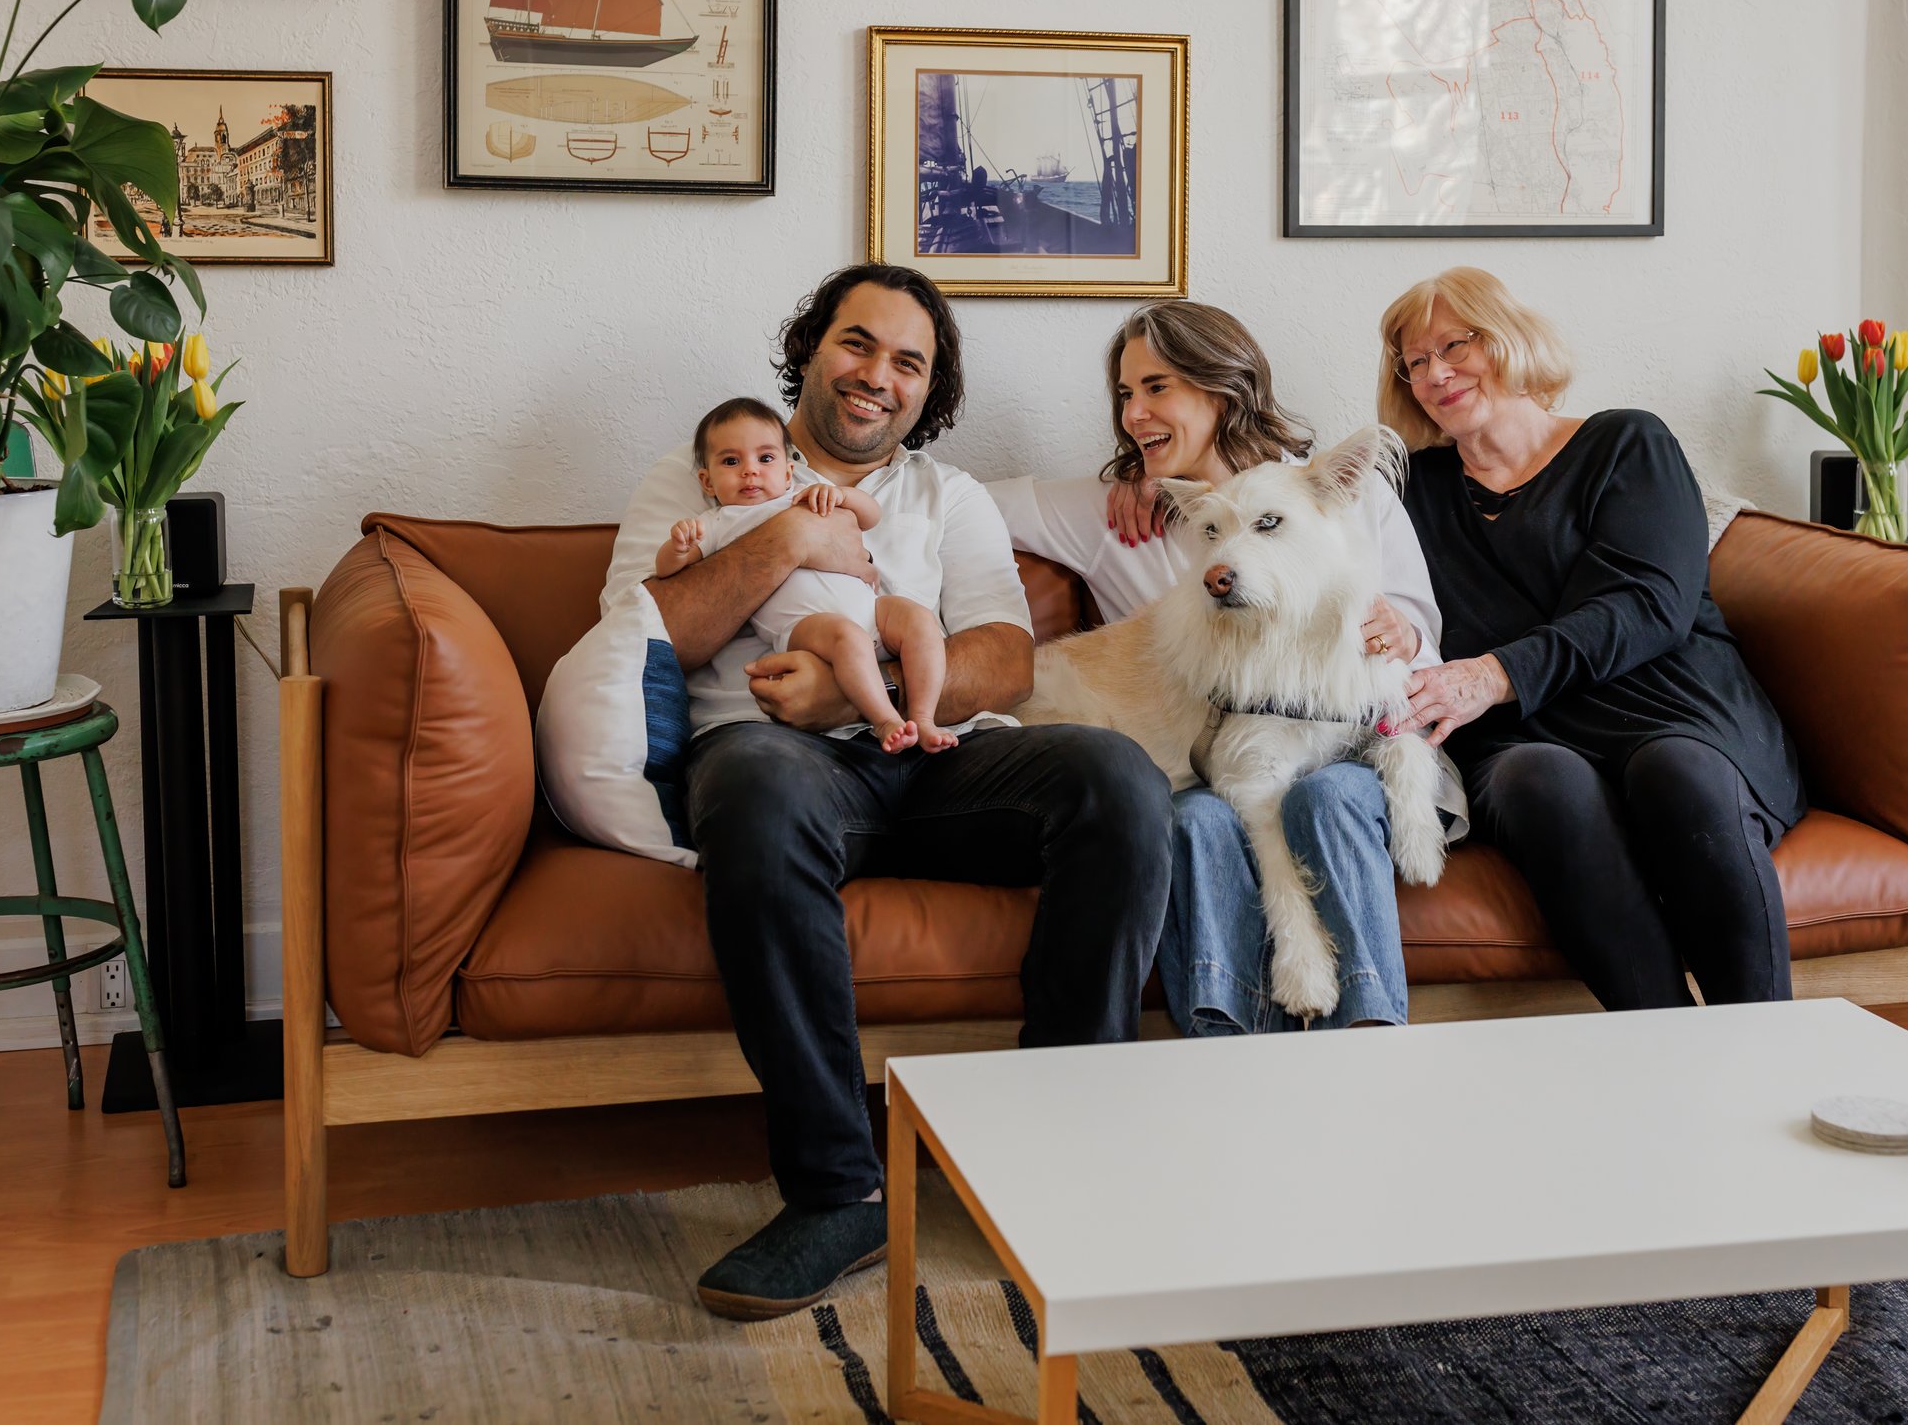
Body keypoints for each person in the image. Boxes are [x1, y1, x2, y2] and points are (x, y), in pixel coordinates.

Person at [606, 263, 1173, 1320]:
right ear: (812, 348)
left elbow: (1004, 658)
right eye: (856, 344)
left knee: (1117, 778)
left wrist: (868, 690)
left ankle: (1055, 1151)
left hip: (934, 751)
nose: (877, 376)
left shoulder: (944, 497)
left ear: (928, 387)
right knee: (757, 792)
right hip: (774, 754)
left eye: (907, 362)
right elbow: (650, 634)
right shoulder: (706, 471)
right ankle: (838, 1195)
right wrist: (788, 533)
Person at [990, 299, 1458, 1034]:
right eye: (1124, 394)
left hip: (1349, 738)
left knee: (1327, 798)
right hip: (1207, 757)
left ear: (1222, 390)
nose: (1134, 414)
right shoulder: (1120, 510)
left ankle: (1367, 1043)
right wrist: (800, 493)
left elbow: (1424, 649)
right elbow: (967, 505)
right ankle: (1230, 1052)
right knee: (1201, 819)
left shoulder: (1335, 486)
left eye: (1156, 388)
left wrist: (1399, 636)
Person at [1379, 267, 1806, 1009]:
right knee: (1538, 781)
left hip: (1675, 712)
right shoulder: (1408, 490)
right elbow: (1293, 494)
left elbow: (1649, 604)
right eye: (1414, 363)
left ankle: (1762, 1045)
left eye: (1454, 345)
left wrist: (1493, 674)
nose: (1435, 373)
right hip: (1526, 738)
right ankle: (1662, 1044)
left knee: (1676, 775)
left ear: (1507, 339)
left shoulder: (1626, 443)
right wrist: (1147, 473)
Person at [655, 396, 954, 753]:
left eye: (765, 458)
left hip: (873, 611)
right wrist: (677, 547)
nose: (750, 471)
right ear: (707, 482)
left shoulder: (805, 497)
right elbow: (666, 570)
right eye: (731, 461)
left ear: (786, 470)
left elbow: (871, 516)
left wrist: (842, 495)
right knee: (847, 637)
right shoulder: (718, 523)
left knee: (919, 620)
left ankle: (922, 716)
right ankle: (884, 720)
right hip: (804, 627)